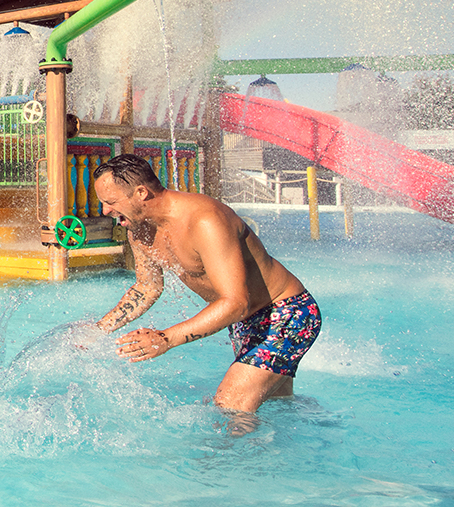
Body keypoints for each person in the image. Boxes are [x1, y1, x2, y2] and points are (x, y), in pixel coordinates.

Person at [92, 152, 321, 423]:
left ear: (141, 193)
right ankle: (282, 456)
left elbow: (236, 302)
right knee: (274, 406)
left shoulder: (205, 220)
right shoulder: (139, 229)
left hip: (284, 314)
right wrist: (98, 331)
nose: (105, 211)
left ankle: (232, 465)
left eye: (110, 202)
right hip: (244, 321)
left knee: (231, 406)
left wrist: (165, 339)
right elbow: (147, 287)